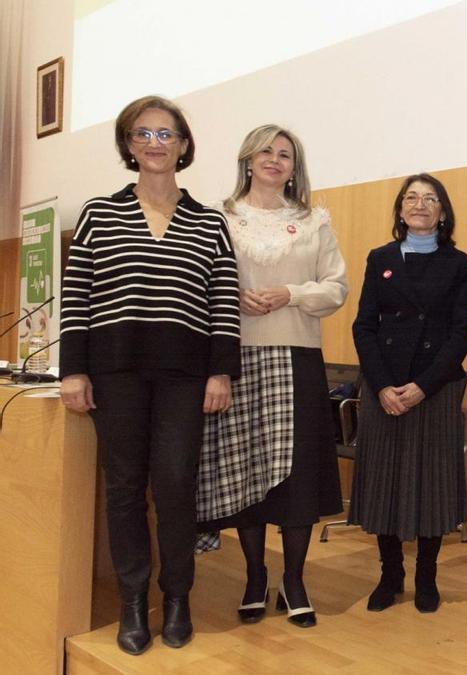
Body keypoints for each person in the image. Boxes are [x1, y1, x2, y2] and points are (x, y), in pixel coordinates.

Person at [59, 95, 240, 654]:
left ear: (184, 145)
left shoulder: (210, 222)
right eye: (143, 133)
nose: (155, 143)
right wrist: (74, 370)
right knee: (123, 488)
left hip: (186, 376)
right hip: (117, 373)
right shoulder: (100, 213)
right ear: (128, 144)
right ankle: (134, 603)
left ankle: (178, 595)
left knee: (176, 486)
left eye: (166, 134)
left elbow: (223, 301)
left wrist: (221, 373)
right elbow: (77, 296)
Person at [196, 124, 347, 629]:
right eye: (266, 151)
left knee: (298, 474)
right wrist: (232, 296)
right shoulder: (220, 217)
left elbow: (337, 289)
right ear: (247, 158)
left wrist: (291, 294)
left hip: (297, 357)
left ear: (294, 166)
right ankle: (256, 574)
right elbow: (203, 280)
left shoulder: (312, 220)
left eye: (285, 154)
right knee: (248, 471)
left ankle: (296, 579)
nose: (275, 160)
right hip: (236, 358)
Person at [349, 173, 467, 614]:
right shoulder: (379, 258)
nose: (420, 204)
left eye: (431, 198)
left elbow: (461, 333)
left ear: (443, 211)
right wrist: (381, 385)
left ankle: (426, 577)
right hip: (385, 387)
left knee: (432, 486)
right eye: (412, 198)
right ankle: (390, 575)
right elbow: (364, 326)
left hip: (433, 387)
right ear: (401, 210)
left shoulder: (458, 263)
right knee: (385, 484)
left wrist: (423, 386)